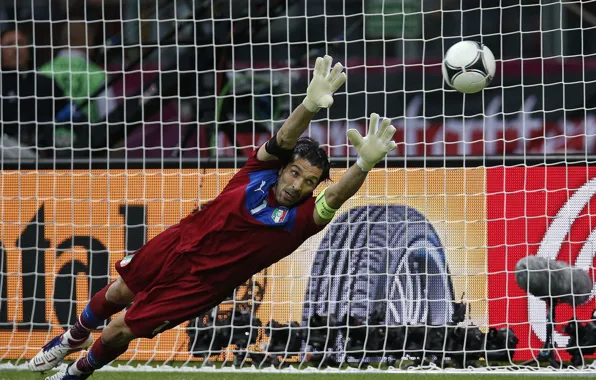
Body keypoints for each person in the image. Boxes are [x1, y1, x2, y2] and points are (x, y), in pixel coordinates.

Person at [29, 55, 397, 380]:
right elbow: (284, 137)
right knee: (118, 290)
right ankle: (71, 338)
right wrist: (309, 105)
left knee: (117, 331)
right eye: (295, 173)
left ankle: (75, 373)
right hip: (179, 241)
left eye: (309, 182)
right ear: (283, 170)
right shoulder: (257, 172)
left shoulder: (299, 220)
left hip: (199, 284)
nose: (298, 185)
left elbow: (334, 196)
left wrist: (363, 164)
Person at [0, 28, 67, 156]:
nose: (16, 49)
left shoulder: (45, 83)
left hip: (44, 152)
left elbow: (67, 113)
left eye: (20, 43)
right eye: (9, 44)